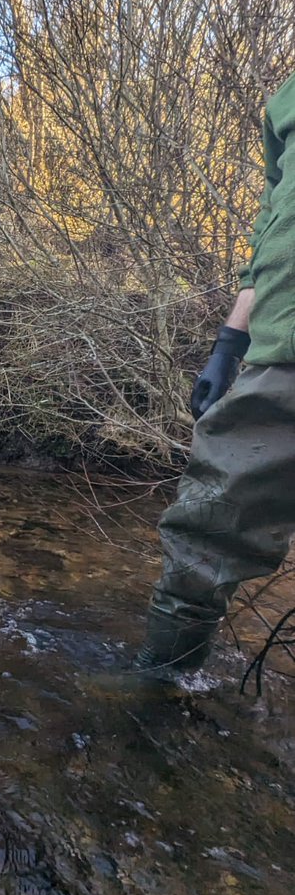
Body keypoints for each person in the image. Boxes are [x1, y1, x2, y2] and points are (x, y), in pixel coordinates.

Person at [136, 69, 295, 672]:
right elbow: (275, 220)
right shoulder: (285, 97)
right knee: (207, 525)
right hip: (279, 347)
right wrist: (231, 340)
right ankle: (161, 687)